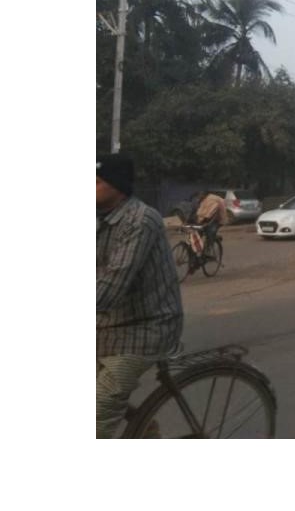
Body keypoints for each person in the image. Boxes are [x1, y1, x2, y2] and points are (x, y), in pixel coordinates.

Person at [97, 153, 183, 438]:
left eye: (96, 182)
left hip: (145, 330)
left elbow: (107, 291)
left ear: (117, 186)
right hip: (105, 326)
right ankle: (144, 429)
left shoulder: (141, 220)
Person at [195, 190, 228, 258]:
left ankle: (208, 249)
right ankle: (198, 249)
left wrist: (205, 222)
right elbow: (200, 212)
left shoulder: (211, 200)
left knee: (211, 231)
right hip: (210, 217)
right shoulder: (204, 200)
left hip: (218, 219)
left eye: (199, 196)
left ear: (204, 195)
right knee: (198, 231)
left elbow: (212, 213)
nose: (198, 197)